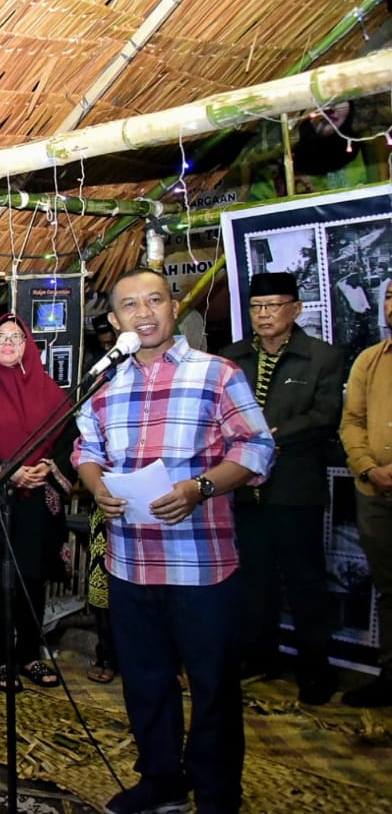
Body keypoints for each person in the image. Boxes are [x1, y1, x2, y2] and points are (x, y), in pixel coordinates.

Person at [72, 268, 274, 814]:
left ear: (174, 306)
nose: (144, 313)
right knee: (145, 684)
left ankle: (215, 795)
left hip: (201, 568)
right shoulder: (105, 383)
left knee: (212, 690)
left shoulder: (217, 374)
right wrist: (97, 488)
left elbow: (256, 449)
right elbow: (85, 449)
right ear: (114, 321)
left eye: (154, 300)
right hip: (130, 564)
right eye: (130, 306)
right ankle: (161, 779)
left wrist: (200, 487)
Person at [219, 271, 342, 704]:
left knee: (304, 580)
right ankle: (259, 655)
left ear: (295, 308)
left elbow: (326, 417)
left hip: (294, 489)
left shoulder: (321, 357)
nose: (264, 315)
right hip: (243, 489)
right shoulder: (231, 359)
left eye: (273, 306)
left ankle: (315, 668)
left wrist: (273, 436)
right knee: (252, 579)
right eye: (257, 307)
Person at [0, 314, 76, 692]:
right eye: (0, 337)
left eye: (16, 337)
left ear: (28, 345)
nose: (8, 343)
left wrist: (46, 466)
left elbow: (67, 437)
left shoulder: (51, 392)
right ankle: (2, 659)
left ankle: (29, 655)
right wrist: (8, 473)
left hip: (37, 502)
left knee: (31, 579)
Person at [339, 278, 392, 707]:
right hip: (376, 493)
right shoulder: (370, 361)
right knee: (388, 587)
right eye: (390, 297)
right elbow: (352, 420)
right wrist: (369, 468)